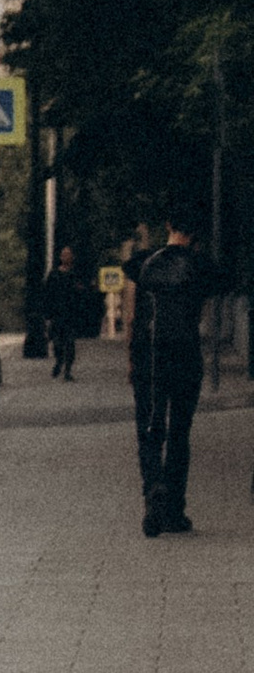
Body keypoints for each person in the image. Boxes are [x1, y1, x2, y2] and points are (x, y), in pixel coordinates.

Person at [125, 212, 214, 537]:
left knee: (149, 430)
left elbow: (134, 314)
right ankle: (175, 510)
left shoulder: (141, 263)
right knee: (179, 432)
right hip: (186, 356)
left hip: (149, 357)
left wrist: (131, 359)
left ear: (168, 227)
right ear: (196, 234)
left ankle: (153, 491)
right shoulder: (201, 266)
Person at [38, 244, 87, 382]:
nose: (66, 257)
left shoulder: (75, 274)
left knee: (70, 343)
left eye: (68, 254)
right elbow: (47, 294)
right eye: (64, 254)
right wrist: (47, 314)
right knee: (58, 343)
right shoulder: (54, 275)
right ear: (60, 257)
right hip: (57, 314)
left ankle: (68, 370)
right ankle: (59, 362)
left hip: (71, 314)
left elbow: (81, 293)